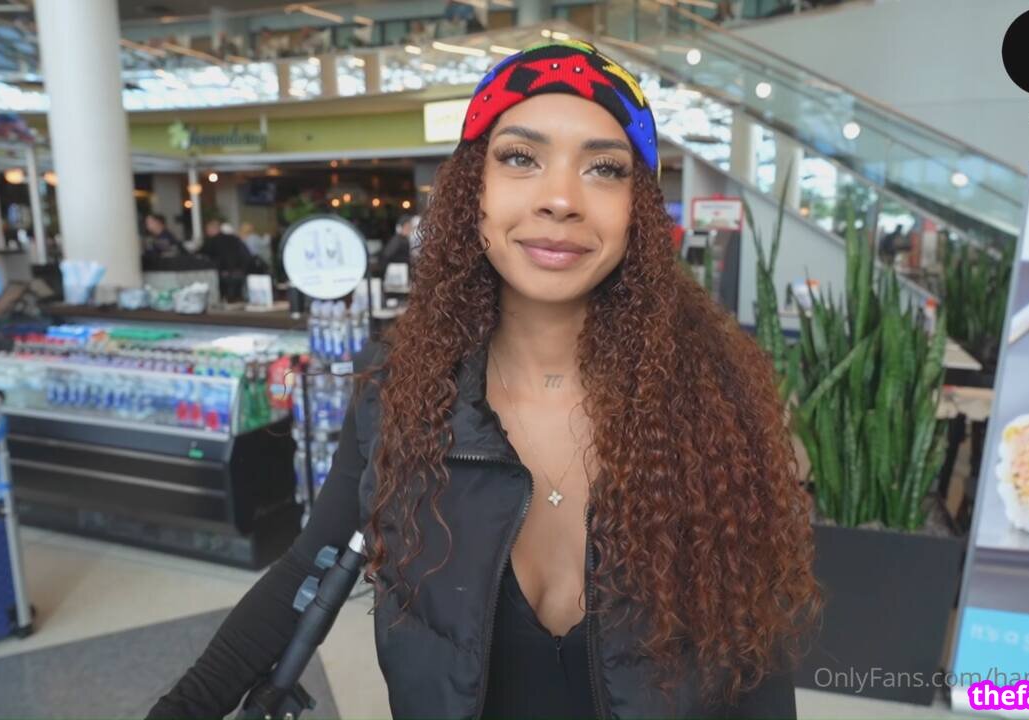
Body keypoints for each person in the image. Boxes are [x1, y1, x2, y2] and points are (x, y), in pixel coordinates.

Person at [148, 40, 818, 719]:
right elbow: (307, 568)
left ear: (637, 211)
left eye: (604, 168)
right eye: (521, 157)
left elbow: (755, 665)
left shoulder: (713, 404)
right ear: (475, 189)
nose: (560, 199)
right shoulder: (401, 390)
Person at [201, 219, 253, 303]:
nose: (207, 232)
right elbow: (247, 254)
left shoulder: (211, 241)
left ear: (212, 229)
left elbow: (203, 256)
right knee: (238, 298)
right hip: (240, 272)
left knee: (226, 298)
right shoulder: (234, 238)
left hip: (224, 274)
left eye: (207, 230)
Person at [371, 214, 418, 280]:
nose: (410, 229)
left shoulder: (403, 239)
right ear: (403, 226)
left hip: (401, 272)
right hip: (397, 273)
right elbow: (386, 254)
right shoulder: (398, 240)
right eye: (408, 226)